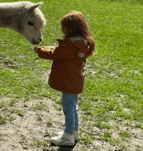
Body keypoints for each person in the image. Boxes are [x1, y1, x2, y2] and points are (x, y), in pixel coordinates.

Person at [33, 11, 96, 146]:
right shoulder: (79, 44)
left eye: (65, 27)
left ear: (71, 28)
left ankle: (68, 136)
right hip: (74, 82)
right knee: (73, 107)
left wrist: (39, 51)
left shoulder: (70, 47)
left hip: (69, 83)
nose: (63, 30)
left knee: (68, 109)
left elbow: (55, 53)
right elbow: (58, 50)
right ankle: (74, 132)